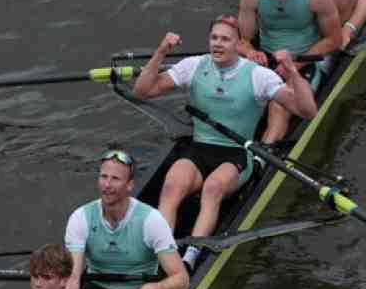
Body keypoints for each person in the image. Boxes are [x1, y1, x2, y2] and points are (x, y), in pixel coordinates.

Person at [132, 17, 317, 255]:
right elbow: (142, 91)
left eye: (225, 39)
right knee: (170, 186)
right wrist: (160, 53)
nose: (218, 44)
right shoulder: (194, 65)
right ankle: (162, 254)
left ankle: (191, 256)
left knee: (212, 188)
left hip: (237, 153)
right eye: (214, 38)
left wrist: (291, 70)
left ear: (239, 44)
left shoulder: (257, 75)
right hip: (199, 147)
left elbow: (307, 111)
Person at [66, 149, 190, 289]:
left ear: (130, 185)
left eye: (115, 179)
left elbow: (181, 279)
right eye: (104, 177)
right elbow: (73, 277)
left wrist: (151, 288)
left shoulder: (151, 220)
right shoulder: (81, 217)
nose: (107, 184)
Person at [237, 0, 342, 145]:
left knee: (280, 105)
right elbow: (244, 40)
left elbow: (333, 40)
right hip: (267, 56)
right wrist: (250, 52)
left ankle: (265, 155)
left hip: (305, 58)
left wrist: (293, 66)